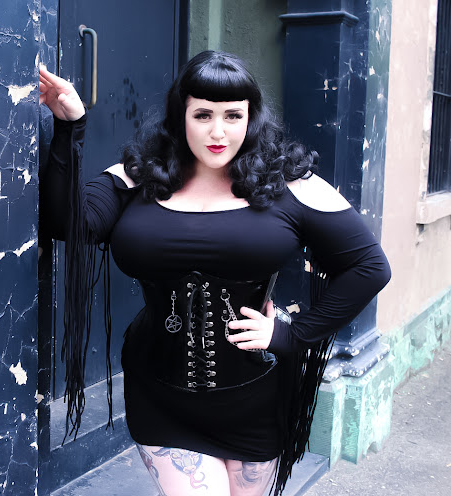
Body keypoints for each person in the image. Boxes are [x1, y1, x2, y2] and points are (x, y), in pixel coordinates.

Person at [39, 51, 391, 496]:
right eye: (203, 115)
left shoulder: (288, 184)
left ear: (251, 118)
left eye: (233, 116)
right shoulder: (139, 178)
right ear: (180, 116)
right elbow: (67, 222)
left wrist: (294, 335)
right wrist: (70, 126)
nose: (218, 132)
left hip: (255, 399)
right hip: (161, 394)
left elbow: (369, 267)